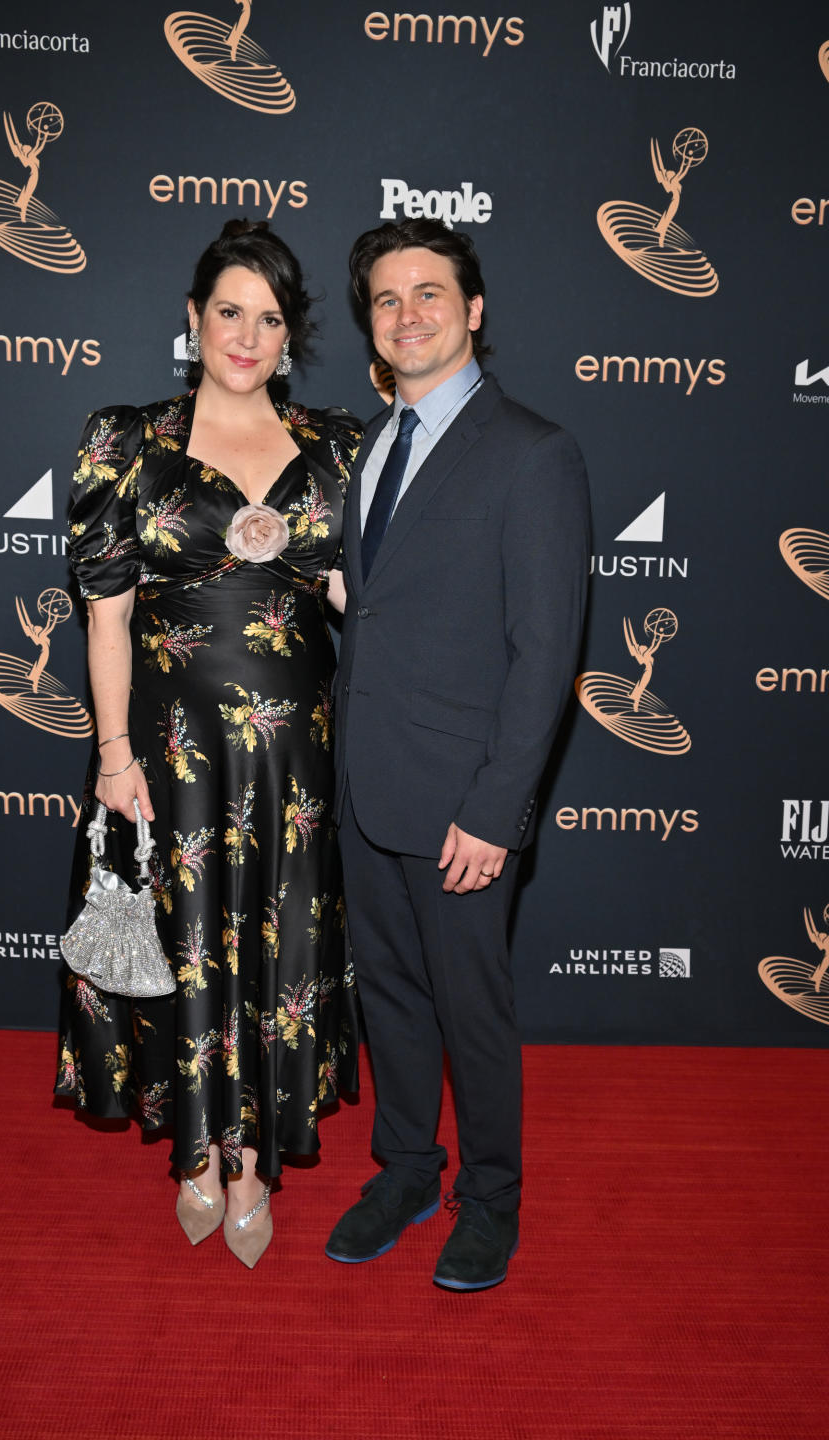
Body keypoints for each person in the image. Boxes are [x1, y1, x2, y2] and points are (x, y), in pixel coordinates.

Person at [55, 219, 361, 1269]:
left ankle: (254, 1163)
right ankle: (194, 1151)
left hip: (292, 763)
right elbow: (104, 616)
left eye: (270, 318)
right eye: (229, 310)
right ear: (192, 319)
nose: (247, 334)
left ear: (291, 336)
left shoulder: (337, 450)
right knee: (185, 940)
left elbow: (366, 595)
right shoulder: (126, 441)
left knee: (275, 946)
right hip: (168, 749)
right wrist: (111, 757)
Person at [324, 217, 590, 1290]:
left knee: (472, 1008)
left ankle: (490, 1197)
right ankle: (406, 1168)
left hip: (462, 804)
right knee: (387, 994)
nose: (409, 315)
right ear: (371, 327)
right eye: (388, 300)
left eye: (430, 293)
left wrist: (495, 811)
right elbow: (382, 604)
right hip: (367, 785)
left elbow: (545, 654)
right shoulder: (372, 445)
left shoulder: (534, 453)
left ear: (473, 310)